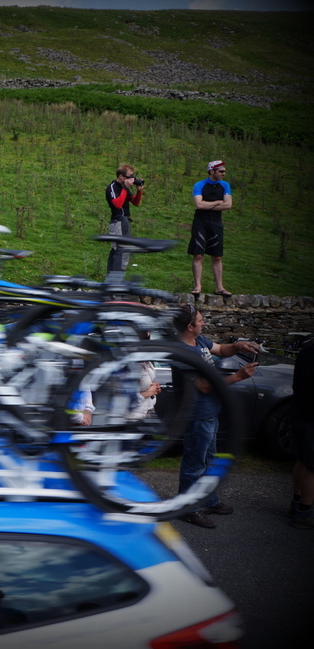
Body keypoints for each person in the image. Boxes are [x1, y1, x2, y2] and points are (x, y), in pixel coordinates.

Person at [174, 303, 260, 528]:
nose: (204, 323)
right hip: (197, 415)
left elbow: (221, 349)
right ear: (190, 326)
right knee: (195, 463)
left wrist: (238, 345)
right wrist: (239, 377)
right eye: (200, 320)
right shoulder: (182, 352)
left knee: (210, 461)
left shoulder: (198, 341)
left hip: (210, 412)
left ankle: (209, 500)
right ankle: (189, 508)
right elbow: (203, 386)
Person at [189, 160, 234, 298]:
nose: (223, 174)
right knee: (198, 254)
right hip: (200, 222)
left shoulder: (225, 185)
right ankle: (197, 285)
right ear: (212, 171)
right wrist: (218, 202)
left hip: (216, 222)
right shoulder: (199, 185)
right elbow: (199, 205)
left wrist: (208, 204)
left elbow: (228, 205)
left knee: (217, 256)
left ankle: (219, 287)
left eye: (224, 171)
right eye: (221, 171)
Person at [288, 340, 314, 529]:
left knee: (301, 460)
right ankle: (305, 512)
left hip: (299, 411)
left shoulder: (308, 347)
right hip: (311, 417)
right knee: (312, 467)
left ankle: (296, 502)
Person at [105, 163, 143, 273]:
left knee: (120, 250)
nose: (132, 179)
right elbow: (117, 204)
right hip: (118, 221)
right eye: (130, 176)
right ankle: (115, 281)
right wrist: (125, 187)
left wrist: (139, 190)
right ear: (121, 176)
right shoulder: (112, 187)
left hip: (124, 221)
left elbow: (135, 202)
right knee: (121, 251)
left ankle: (112, 280)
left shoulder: (123, 188)